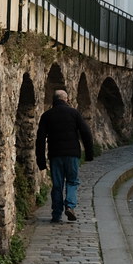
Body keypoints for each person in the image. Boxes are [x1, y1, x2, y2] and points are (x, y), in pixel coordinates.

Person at [36, 89, 93, 223]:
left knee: (57, 185)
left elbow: (40, 139)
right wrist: (89, 154)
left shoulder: (47, 115)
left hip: (55, 155)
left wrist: (41, 161)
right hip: (72, 154)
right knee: (72, 181)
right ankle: (70, 205)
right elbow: (86, 133)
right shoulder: (74, 113)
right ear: (66, 99)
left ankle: (56, 214)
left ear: (54, 100)